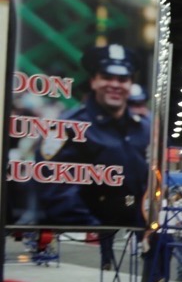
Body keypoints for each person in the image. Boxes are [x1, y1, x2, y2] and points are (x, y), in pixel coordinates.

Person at [38, 45, 152, 264]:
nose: (115, 85)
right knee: (107, 255)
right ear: (93, 81)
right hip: (97, 220)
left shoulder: (143, 128)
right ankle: (106, 260)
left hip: (133, 219)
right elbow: (56, 194)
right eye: (107, 77)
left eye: (123, 79)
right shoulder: (68, 126)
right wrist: (95, 225)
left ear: (130, 83)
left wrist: (145, 221)